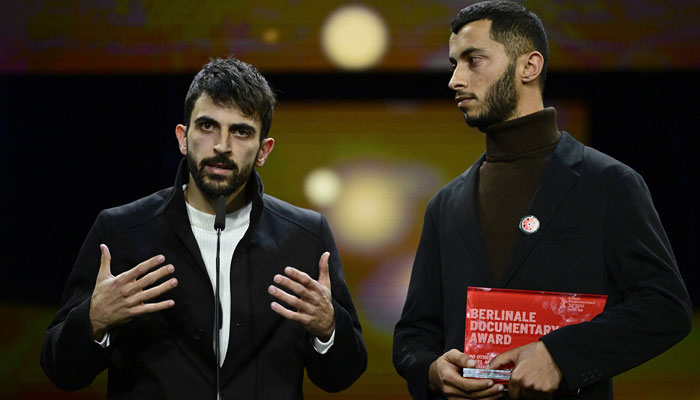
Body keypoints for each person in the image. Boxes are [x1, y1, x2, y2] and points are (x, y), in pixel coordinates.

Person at [392, 2, 691, 399]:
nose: (455, 80)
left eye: (473, 60)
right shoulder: (445, 204)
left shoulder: (608, 183)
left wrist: (560, 356)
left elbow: (665, 308)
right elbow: (413, 334)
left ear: (528, 67)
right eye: (453, 64)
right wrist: (431, 370)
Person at [41, 57, 367, 399]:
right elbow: (61, 371)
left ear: (263, 151)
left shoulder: (305, 235)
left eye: (241, 131)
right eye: (207, 126)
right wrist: (93, 320)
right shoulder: (121, 231)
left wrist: (328, 328)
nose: (222, 146)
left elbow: (342, 376)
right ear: (183, 137)